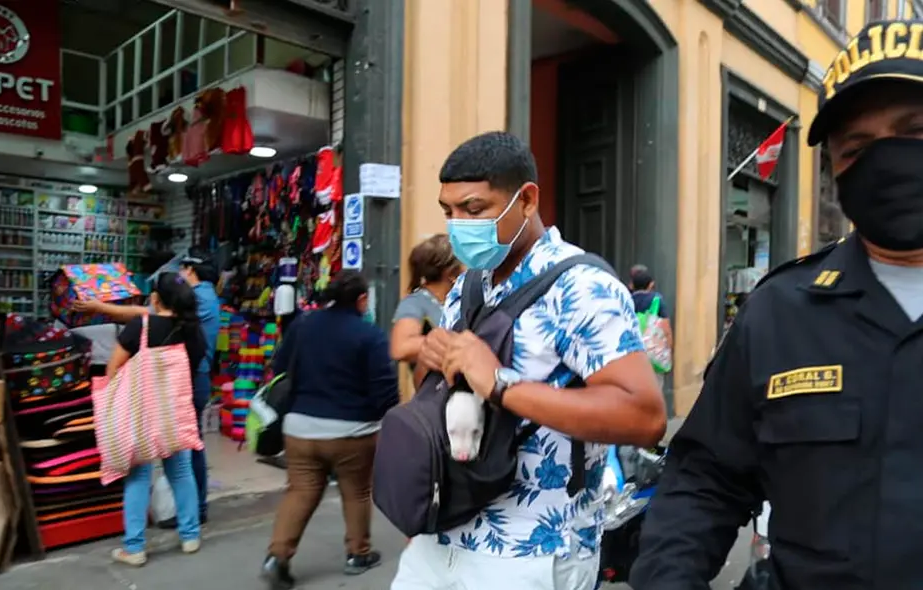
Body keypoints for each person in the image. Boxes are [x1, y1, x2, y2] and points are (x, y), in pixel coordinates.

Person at [630, 19, 923, 590]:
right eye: (857, 148)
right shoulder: (779, 313)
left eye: (913, 131)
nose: (886, 162)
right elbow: (706, 479)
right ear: (835, 168)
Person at [390, 131, 666, 589]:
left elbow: (645, 416)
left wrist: (500, 383)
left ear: (527, 200)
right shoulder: (468, 284)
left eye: (474, 209)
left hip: (532, 552)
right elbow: (440, 395)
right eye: (449, 212)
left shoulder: (581, 287)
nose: (458, 225)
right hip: (441, 535)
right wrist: (434, 355)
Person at [261, 270, 400, 589]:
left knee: (300, 491)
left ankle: (277, 556)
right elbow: (385, 392)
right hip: (352, 432)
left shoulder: (303, 325)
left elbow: (280, 368)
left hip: (299, 428)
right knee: (357, 490)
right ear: (361, 300)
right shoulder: (370, 336)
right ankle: (358, 554)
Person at [75, 254, 221, 525]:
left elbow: (145, 320)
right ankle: (191, 524)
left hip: (173, 388)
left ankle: (149, 535)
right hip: (189, 382)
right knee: (186, 452)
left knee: (152, 465)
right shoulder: (204, 301)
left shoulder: (192, 303)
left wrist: (100, 306)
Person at [106, 273, 206, 566]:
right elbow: (195, 364)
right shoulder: (190, 329)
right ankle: (190, 536)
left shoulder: (142, 326)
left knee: (138, 476)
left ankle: (134, 547)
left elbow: (114, 368)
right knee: (181, 471)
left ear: (155, 299)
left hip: (141, 413)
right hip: (174, 411)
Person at [390, 234, 462, 371]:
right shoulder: (416, 302)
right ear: (452, 274)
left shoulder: (456, 301)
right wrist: (456, 343)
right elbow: (400, 347)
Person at [628, 264, 674, 388]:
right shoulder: (657, 300)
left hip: (633, 353)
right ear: (651, 285)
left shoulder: (627, 300)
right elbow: (666, 329)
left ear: (632, 285)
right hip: (653, 354)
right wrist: (668, 350)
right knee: (655, 387)